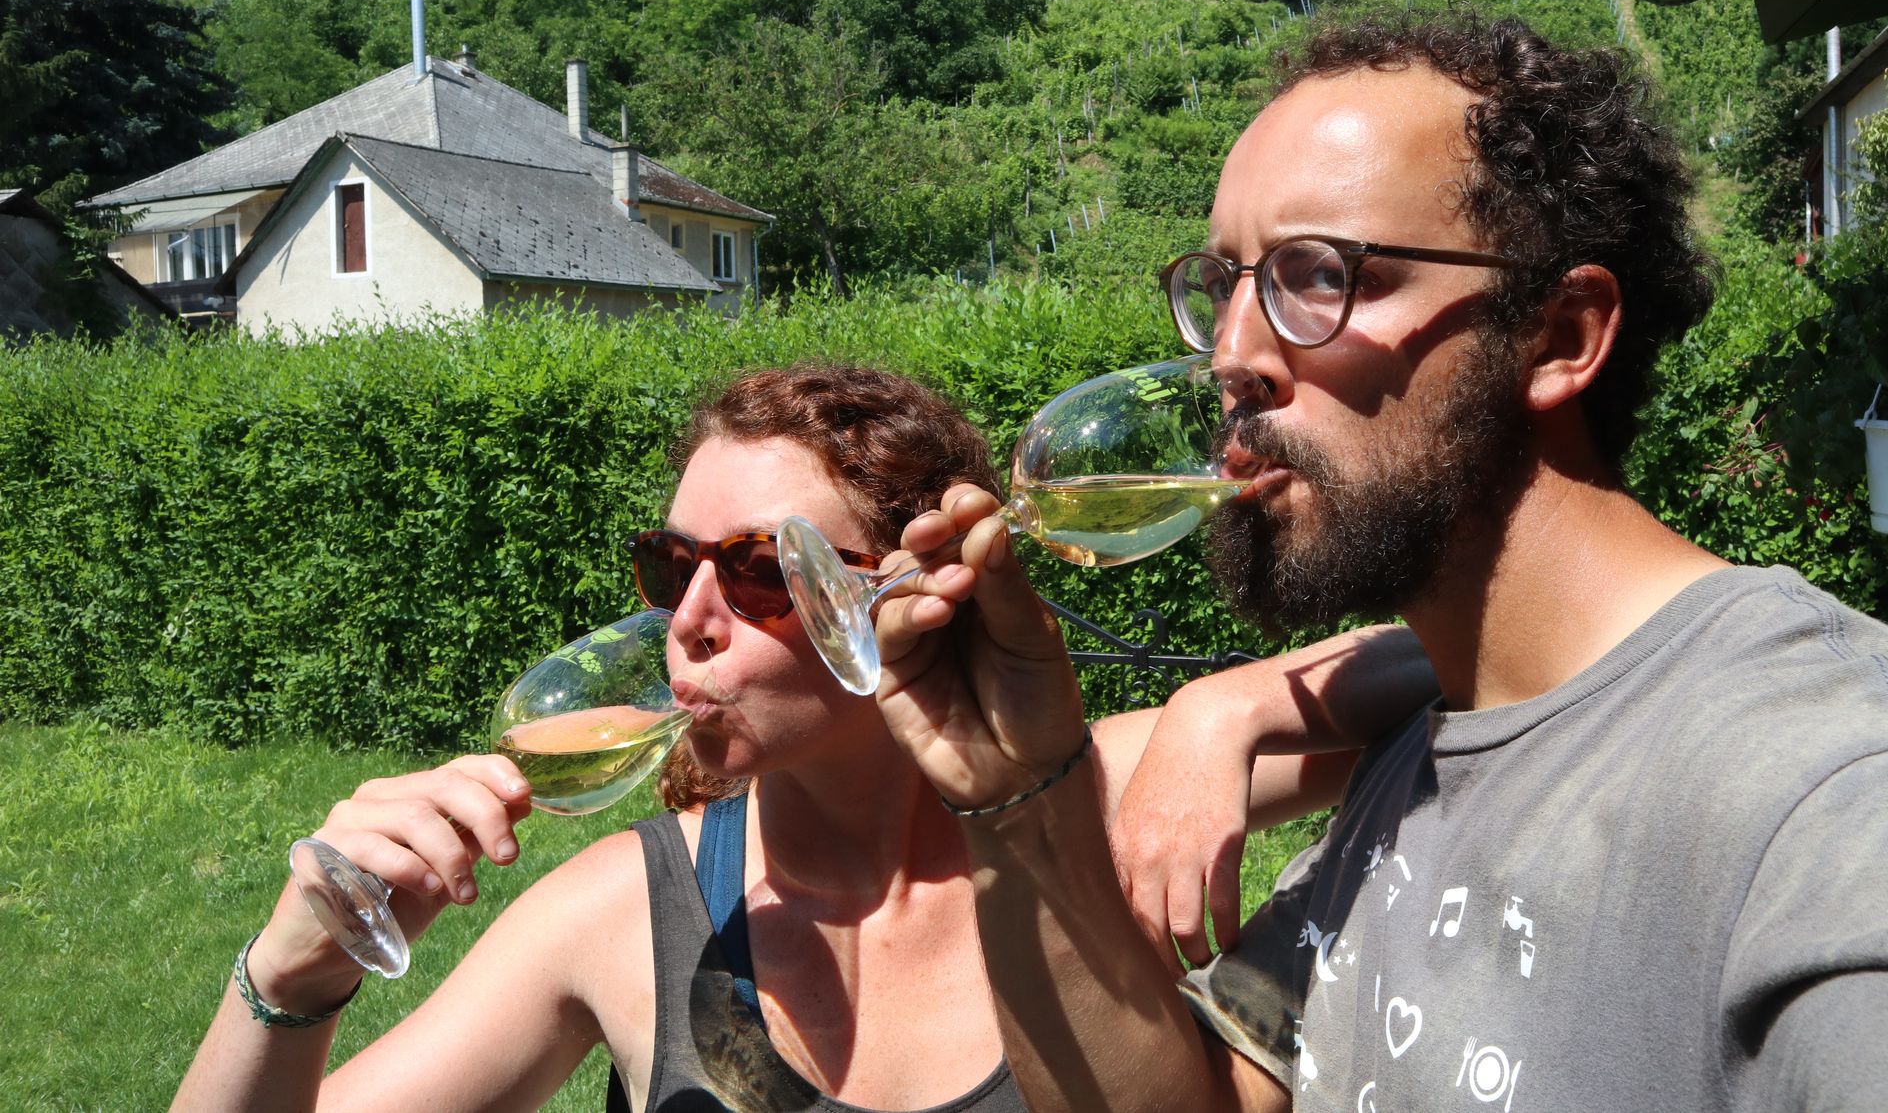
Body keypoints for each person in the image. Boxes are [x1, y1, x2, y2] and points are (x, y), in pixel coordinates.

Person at [867, 12, 1888, 1111]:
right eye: (1224, 284)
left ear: (1557, 337)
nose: (1231, 356)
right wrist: (1019, 801)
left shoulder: (1846, 800)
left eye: (1318, 274)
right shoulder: (1427, 745)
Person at [172, 362, 1435, 1113]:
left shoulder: (1080, 788)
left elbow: (1472, 659)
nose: (690, 622)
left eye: (763, 572)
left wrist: (1223, 710)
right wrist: (288, 978)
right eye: (671, 566)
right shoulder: (631, 907)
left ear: (906, 592)